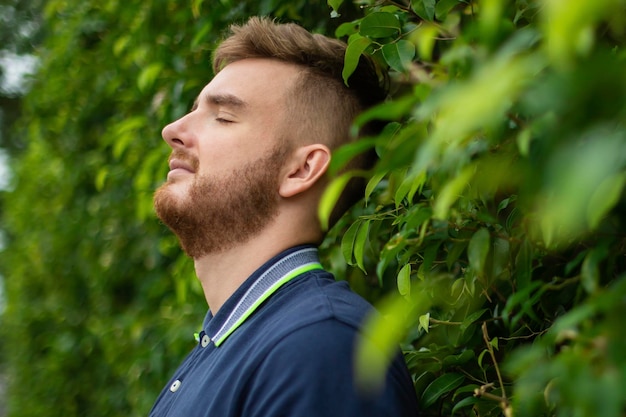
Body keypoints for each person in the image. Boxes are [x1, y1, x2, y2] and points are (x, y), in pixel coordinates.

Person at [150, 16, 419, 417]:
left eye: (223, 117)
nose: (172, 129)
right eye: (192, 110)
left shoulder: (322, 348)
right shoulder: (239, 341)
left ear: (301, 170)